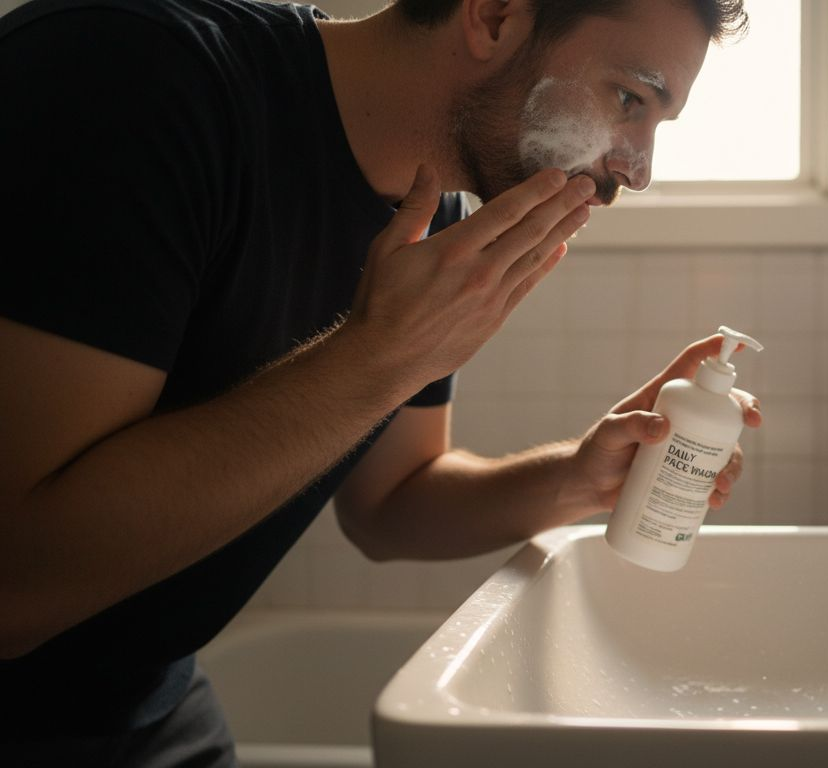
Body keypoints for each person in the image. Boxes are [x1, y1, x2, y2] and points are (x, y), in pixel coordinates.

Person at [0, 0, 757, 764]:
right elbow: (15, 585)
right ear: (494, 17)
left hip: (149, 702)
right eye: (630, 98)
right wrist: (378, 360)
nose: (639, 170)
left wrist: (582, 477)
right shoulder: (133, 82)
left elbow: (392, 503)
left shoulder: (436, 212)